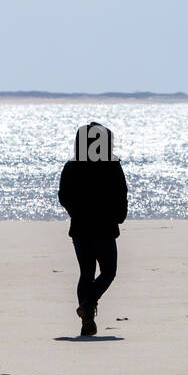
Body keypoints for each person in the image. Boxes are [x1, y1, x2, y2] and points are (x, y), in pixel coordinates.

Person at [58, 122, 128, 336]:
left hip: (80, 228)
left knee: (86, 273)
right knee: (108, 272)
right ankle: (88, 306)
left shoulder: (72, 166)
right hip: (104, 228)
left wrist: (76, 213)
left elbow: (64, 196)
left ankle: (87, 317)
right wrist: (118, 216)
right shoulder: (111, 165)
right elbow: (121, 193)